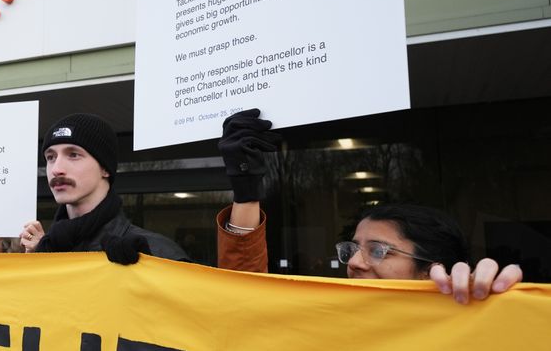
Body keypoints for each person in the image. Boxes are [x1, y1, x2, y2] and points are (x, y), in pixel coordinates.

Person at [214, 109, 523, 302]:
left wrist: (491, 304)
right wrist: (246, 191)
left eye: (378, 250)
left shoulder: (467, 330)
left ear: (431, 272)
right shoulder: (330, 322)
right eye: (352, 248)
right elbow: (246, 302)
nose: (355, 263)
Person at [19, 113, 189, 263]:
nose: (56, 169)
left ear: (105, 168)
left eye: (73, 155)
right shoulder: (44, 250)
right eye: (50, 157)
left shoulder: (158, 253)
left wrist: (147, 272)